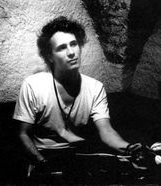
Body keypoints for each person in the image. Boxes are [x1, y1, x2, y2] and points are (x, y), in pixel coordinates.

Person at [12, 16, 155, 181]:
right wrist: (41, 162)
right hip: (43, 156)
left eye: (74, 44)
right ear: (50, 56)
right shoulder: (33, 85)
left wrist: (129, 148)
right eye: (62, 48)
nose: (71, 52)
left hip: (80, 156)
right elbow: (22, 134)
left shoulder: (95, 87)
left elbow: (106, 131)